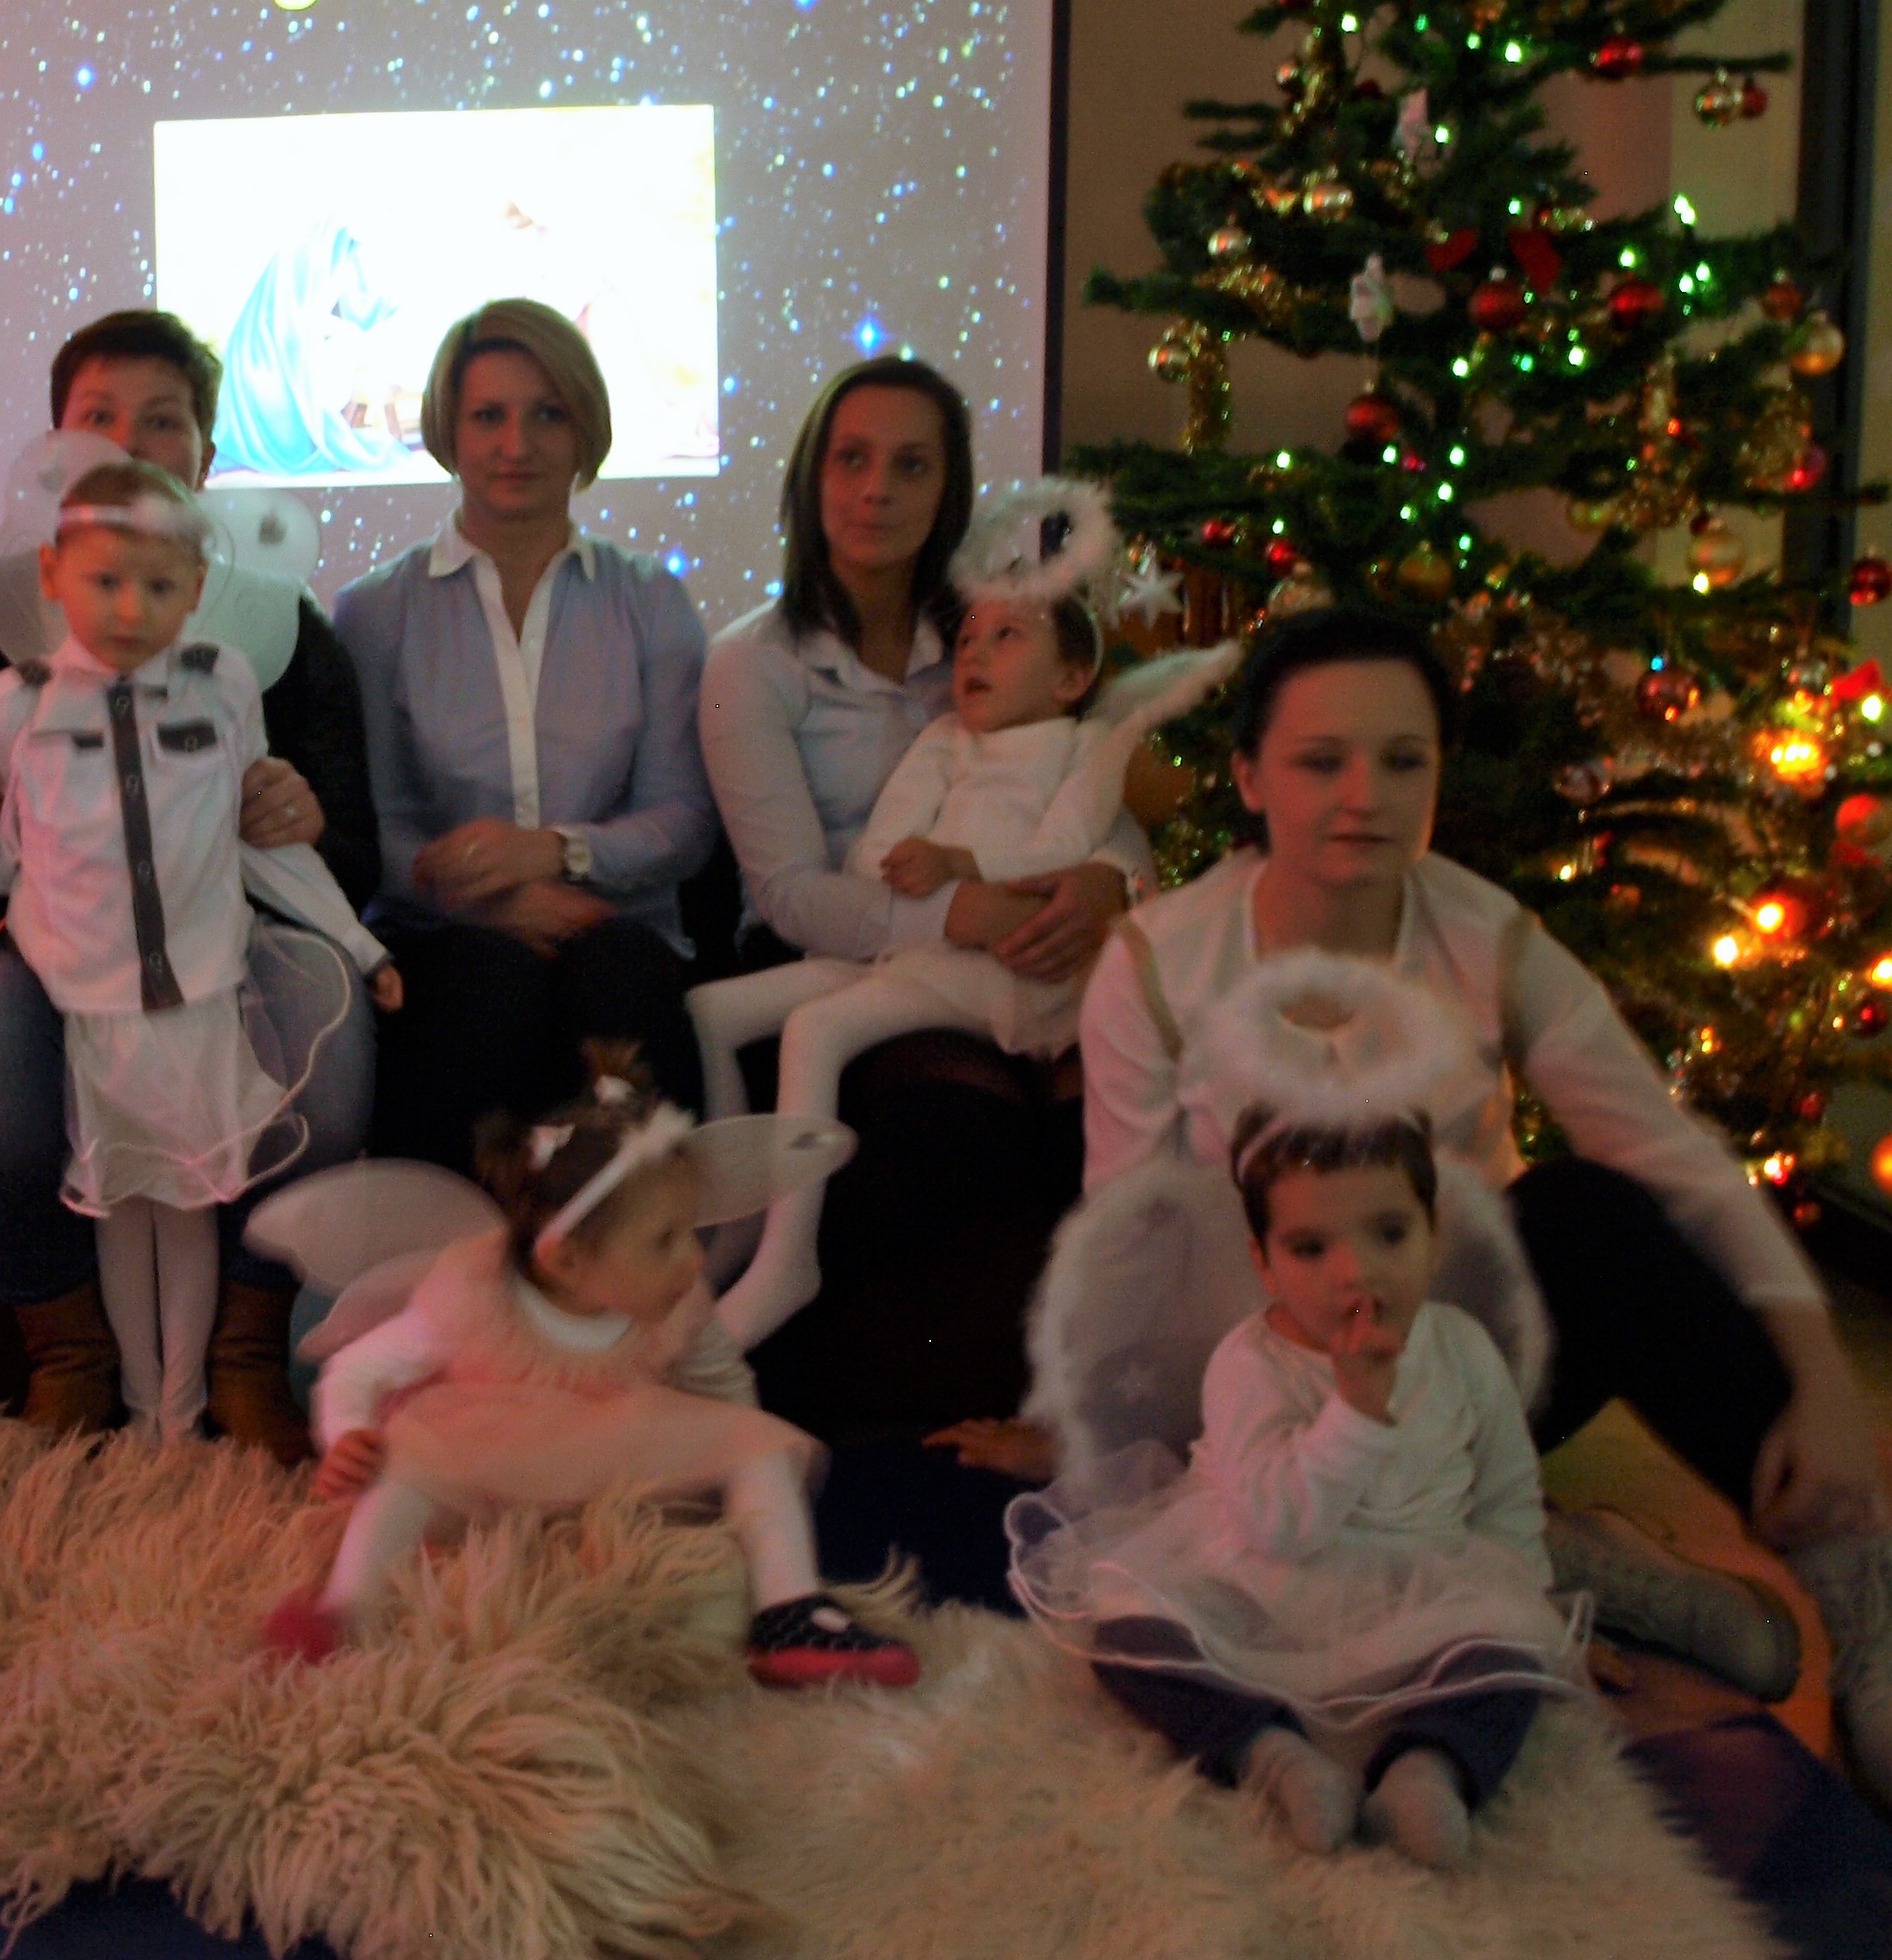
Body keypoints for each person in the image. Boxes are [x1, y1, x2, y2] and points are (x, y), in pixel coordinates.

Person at [1071, 604, 1892, 1822]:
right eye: (1320, 761)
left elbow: (1672, 1160)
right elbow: (1130, 1243)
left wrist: (1822, 1381)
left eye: (1402, 760)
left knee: (1588, 1208)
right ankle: (1559, 1562)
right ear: (1248, 777)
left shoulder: (1486, 938)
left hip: (1461, 1370)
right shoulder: (1155, 964)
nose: (1363, 797)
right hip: (1264, 1381)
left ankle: (1866, 1588)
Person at [0, 310, 376, 1457]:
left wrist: (304, 815)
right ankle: (70, 1355)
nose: (129, 446)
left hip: (217, 952)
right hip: (31, 951)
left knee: (330, 1051)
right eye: (98, 419)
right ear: (52, 450)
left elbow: (349, 852)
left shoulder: (270, 633)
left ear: (208, 458)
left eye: (163, 422)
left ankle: (243, 1356)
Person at [1011, 957, 1584, 1869]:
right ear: (1265, 1262)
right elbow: (1279, 1527)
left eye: (1388, 1234)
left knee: (1506, 1669)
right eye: (1312, 1248)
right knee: (1128, 1637)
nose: (1355, 1273)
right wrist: (1354, 1407)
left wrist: (1517, 1611)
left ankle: (1430, 1767)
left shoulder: (1463, 1349)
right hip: (1268, 1581)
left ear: (1432, 1235)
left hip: (1420, 1586)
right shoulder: (1249, 1365)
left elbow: (1507, 1497)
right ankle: (1270, 1754)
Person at [691, 477, 1235, 1348]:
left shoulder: (1087, 748)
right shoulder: (944, 741)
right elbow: (876, 854)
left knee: (817, 1031)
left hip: (1011, 974)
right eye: (970, 637)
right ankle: (736, 1224)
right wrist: (926, 876)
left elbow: (1071, 851)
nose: (975, 655)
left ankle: (788, 1262)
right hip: (923, 948)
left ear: (1073, 675)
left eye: (1007, 637)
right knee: (711, 1011)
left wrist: (963, 867)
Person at [258, 1050, 918, 1688]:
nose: (694, 1260)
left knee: (760, 1445)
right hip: (488, 1457)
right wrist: (348, 1434)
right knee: (404, 1460)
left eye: (691, 1231)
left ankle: (790, 1611)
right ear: (567, 1260)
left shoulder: (677, 1303)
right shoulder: (476, 1292)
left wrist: (728, 1465)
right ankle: (345, 1609)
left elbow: (723, 1390)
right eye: (663, 1241)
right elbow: (359, 1369)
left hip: (611, 1454)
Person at [334, 300, 716, 1170]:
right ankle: (446, 1253)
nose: (517, 444)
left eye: (548, 414)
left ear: (587, 431)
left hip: (614, 930)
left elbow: (684, 819)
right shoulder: (375, 611)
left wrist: (555, 854)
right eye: (488, 416)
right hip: (442, 942)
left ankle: (643, 1250)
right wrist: (488, 902)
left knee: (617, 977)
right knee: (485, 987)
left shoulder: (651, 601)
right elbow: (372, 829)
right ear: (447, 430)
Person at [697, 356, 1139, 994]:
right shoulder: (747, 663)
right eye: (852, 459)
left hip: (1014, 939)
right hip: (818, 966)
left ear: (946, 491)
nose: (878, 489)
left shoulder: (992, 635)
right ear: (812, 478)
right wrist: (964, 915)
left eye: (911, 466)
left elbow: (1082, 768)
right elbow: (787, 894)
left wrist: (1113, 876)